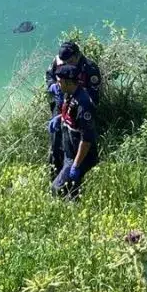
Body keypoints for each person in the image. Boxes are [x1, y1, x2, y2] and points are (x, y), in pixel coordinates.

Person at [48, 65, 98, 200]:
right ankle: (74, 209)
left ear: (68, 82)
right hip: (70, 151)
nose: (57, 84)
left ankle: (66, 212)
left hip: (80, 155)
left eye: (59, 81)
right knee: (72, 190)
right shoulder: (70, 95)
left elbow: (86, 140)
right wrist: (59, 118)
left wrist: (75, 165)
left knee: (56, 188)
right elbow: (70, 115)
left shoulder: (83, 104)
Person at [44, 42, 101, 112]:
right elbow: (49, 75)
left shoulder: (90, 68)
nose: (67, 65)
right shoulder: (59, 61)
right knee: (55, 118)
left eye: (70, 61)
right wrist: (53, 86)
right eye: (65, 62)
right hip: (60, 99)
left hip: (82, 102)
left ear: (78, 55)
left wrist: (76, 96)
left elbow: (94, 94)